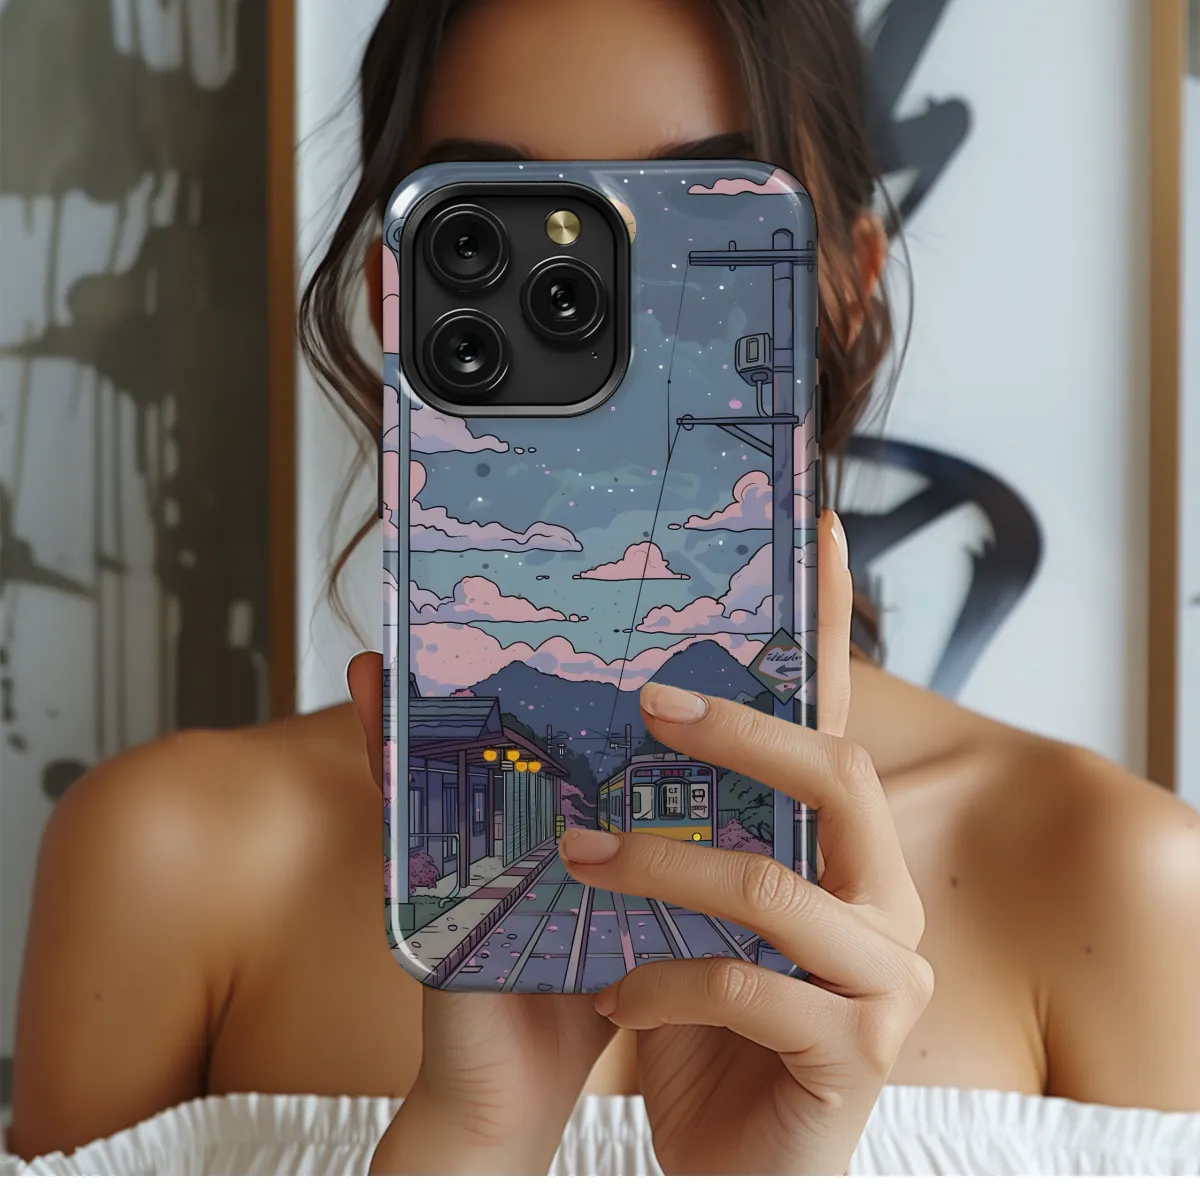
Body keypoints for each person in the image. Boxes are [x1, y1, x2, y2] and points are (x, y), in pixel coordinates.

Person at [7, 0, 1200, 1177]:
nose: (608, 302)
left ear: (847, 284)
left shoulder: (1116, 882)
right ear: (393, 295)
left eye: (701, 220)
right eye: (492, 228)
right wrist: (475, 1141)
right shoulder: (169, 861)